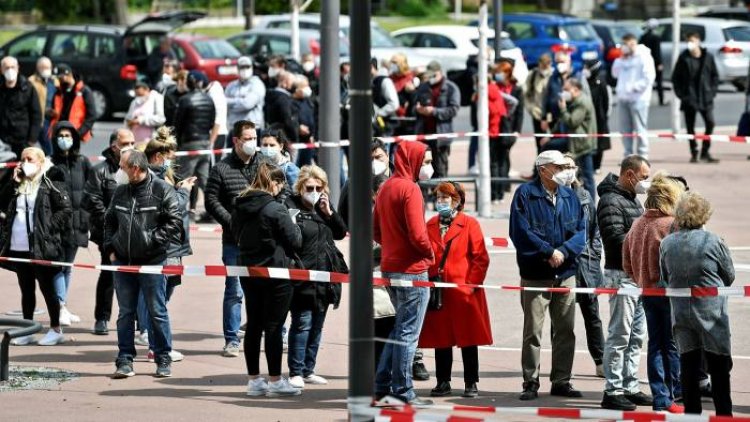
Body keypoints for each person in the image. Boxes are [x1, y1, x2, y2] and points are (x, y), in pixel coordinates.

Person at [509, 150, 586, 401]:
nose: (566, 170)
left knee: (565, 329)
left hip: (565, 273)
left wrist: (562, 251)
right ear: (543, 169)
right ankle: (530, 382)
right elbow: (520, 232)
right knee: (533, 331)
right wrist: (547, 251)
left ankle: (561, 380)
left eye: (566, 166)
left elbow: (581, 232)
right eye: (559, 166)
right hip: (535, 275)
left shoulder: (570, 196)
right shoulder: (525, 195)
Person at [105, 149, 181, 379]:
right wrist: (110, 249)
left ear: (135, 169)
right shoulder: (120, 192)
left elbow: (174, 222)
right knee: (126, 313)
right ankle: (125, 359)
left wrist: (150, 243)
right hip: (123, 263)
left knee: (157, 311)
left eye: (122, 166)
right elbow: (108, 222)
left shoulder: (161, 189)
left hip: (152, 262)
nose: (119, 171)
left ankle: (163, 357)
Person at [660, 192, 735, 416]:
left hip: (681, 312)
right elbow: (729, 276)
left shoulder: (667, 243)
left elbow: (665, 278)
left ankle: (692, 416)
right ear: (704, 215)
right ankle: (724, 415)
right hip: (711, 312)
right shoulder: (713, 241)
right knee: (719, 368)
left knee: (688, 366)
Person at [232, 163, 303, 397]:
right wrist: (294, 225)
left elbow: (234, 233)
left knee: (253, 324)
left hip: (249, 270)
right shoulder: (276, 209)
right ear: (273, 183)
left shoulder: (240, 205)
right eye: (280, 183)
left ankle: (254, 380)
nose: (281, 187)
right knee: (274, 326)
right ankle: (275, 380)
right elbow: (294, 241)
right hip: (276, 272)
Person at [373, 141, 435, 405]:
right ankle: (403, 390)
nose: (429, 167)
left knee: (399, 330)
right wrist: (430, 253)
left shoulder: (386, 186)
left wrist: (393, 246)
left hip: (390, 265)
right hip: (413, 269)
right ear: (414, 160)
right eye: (427, 161)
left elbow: (375, 229)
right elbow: (418, 234)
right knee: (408, 333)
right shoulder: (410, 189)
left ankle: (382, 385)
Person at [419, 182, 491, 399]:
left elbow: (480, 258)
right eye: (439, 197)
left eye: (445, 197)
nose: (440, 201)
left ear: (457, 201)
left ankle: (471, 382)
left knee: (468, 339)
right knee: (442, 339)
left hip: (464, 291)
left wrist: (470, 285)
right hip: (439, 291)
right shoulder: (430, 224)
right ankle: (443, 381)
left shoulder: (469, 224)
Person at [622, 173, 685, 413]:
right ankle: (671, 393)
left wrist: (638, 277)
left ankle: (661, 395)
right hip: (668, 291)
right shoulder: (670, 224)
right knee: (671, 344)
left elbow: (626, 259)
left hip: (646, 290)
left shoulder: (638, 223)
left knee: (656, 343)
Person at [205, 120, 266, 357]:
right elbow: (211, 201)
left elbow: (280, 190)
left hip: (262, 241)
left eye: (254, 138)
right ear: (236, 141)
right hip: (234, 241)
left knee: (263, 290)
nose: (252, 143)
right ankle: (231, 339)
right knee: (235, 290)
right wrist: (231, 222)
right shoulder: (221, 169)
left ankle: (260, 332)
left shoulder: (264, 164)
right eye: (248, 139)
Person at [597, 155, 653, 411]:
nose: (646, 183)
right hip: (621, 276)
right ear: (629, 174)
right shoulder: (609, 201)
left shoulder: (633, 200)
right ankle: (613, 389)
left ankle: (630, 386)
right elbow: (614, 239)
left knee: (636, 336)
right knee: (619, 334)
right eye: (643, 177)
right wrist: (646, 240)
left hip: (638, 276)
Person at [0, 147, 71, 346]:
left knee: (47, 288)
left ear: (40, 162)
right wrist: (14, 182)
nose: (24, 162)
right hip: (19, 246)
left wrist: (48, 229)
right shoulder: (19, 183)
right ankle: (27, 329)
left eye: (29, 159)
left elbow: (65, 209)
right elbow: (2, 201)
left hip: (42, 246)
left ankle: (56, 329)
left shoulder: (50, 181)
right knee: (26, 289)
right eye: (22, 159)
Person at [285, 165, 347, 389]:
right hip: (302, 277)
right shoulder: (290, 207)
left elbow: (340, 232)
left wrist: (329, 212)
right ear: (300, 187)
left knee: (318, 326)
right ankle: (296, 371)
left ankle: (308, 370)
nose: (313, 191)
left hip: (325, 277)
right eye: (309, 187)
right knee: (302, 323)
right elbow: (289, 240)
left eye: (318, 187)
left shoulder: (324, 207)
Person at [139, 127, 196, 363]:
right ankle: (159, 347)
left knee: (161, 298)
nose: (172, 161)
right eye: (169, 157)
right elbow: (173, 207)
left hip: (173, 246)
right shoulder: (154, 179)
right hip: (166, 247)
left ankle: (156, 344)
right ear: (158, 157)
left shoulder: (162, 178)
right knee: (160, 300)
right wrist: (184, 192)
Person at [83, 129, 136, 335]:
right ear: (115, 146)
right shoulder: (100, 170)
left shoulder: (138, 166)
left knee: (138, 277)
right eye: (126, 143)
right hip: (109, 233)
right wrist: (112, 222)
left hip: (135, 234)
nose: (131, 146)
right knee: (108, 274)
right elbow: (92, 200)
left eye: (133, 142)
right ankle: (102, 318)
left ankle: (140, 324)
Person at [560, 154, 605, 378]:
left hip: (586, 264)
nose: (568, 171)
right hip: (563, 264)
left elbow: (595, 229)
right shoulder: (553, 195)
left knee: (592, 314)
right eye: (564, 167)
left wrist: (594, 254)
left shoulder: (585, 195)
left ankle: (600, 360)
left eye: (571, 166)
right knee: (562, 318)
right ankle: (561, 368)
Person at [50, 121, 91, 327]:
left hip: (78, 224)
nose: (64, 139)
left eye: (68, 135)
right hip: (58, 225)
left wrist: (87, 218)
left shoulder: (82, 162)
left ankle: (63, 306)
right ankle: (60, 306)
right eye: (61, 135)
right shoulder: (50, 163)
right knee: (58, 266)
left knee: (68, 266)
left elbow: (91, 190)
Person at [173, 70, 216, 220]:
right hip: (204, 142)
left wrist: (177, 141)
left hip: (189, 143)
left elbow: (178, 123)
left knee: (184, 178)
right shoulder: (209, 99)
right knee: (205, 180)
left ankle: (179, 213)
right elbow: (211, 122)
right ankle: (214, 212)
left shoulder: (185, 100)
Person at [672, 32, 720, 164]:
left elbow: (715, 76)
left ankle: (705, 151)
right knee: (690, 128)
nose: (690, 43)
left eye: (692, 40)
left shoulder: (708, 57)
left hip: (705, 97)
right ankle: (694, 153)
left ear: (698, 41)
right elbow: (676, 78)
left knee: (710, 123)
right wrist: (682, 95)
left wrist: (712, 92)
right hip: (690, 99)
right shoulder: (683, 58)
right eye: (688, 41)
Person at [413, 61, 460, 179]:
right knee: (423, 168)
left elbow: (453, 109)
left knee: (440, 168)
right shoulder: (423, 87)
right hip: (424, 134)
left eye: (432, 75)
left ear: (439, 73)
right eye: (428, 76)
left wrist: (433, 111)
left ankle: (441, 195)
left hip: (441, 136)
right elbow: (414, 106)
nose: (430, 78)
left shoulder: (451, 88)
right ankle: (426, 195)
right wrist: (419, 109)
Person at [612, 34, 656, 158]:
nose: (627, 47)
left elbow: (649, 78)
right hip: (623, 98)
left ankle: (642, 155)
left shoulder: (644, 56)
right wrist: (621, 59)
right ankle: (628, 156)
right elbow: (614, 73)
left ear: (634, 43)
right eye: (624, 44)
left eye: (629, 44)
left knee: (640, 129)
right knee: (625, 130)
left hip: (638, 99)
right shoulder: (622, 59)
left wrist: (633, 88)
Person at [555, 78, 597, 201]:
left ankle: (591, 205)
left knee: (587, 177)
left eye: (566, 90)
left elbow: (573, 121)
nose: (564, 92)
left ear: (576, 89)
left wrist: (562, 108)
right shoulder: (575, 101)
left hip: (582, 145)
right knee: (578, 175)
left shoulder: (582, 102)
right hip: (576, 143)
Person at [492, 58, 524, 202]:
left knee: (503, 158)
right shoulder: (494, 87)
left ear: (507, 73)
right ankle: (495, 191)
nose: (498, 75)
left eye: (500, 73)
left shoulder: (516, 89)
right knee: (494, 160)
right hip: (494, 129)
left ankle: (502, 189)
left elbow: (520, 112)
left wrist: (517, 130)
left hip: (508, 129)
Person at [0, 56, 42, 158]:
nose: (10, 70)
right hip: (2, 141)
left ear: (18, 68)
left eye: (12, 67)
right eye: (6, 67)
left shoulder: (28, 88)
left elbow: (36, 114)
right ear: (1, 70)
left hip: (23, 141)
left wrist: (32, 139)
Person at [49, 63, 96, 142]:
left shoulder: (84, 91)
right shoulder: (59, 91)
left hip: (75, 133)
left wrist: (79, 133)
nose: (59, 80)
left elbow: (91, 115)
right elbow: (55, 111)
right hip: (59, 133)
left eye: (60, 77)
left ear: (68, 75)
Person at [583, 59, 611, 173]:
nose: (585, 70)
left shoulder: (601, 82)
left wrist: (603, 115)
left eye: (587, 68)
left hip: (599, 117)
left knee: (600, 142)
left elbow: (606, 101)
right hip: (587, 116)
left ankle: (597, 165)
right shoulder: (584, 81)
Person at [226, 56, 266, 133]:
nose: (245, 70)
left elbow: (247, 104)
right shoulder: (231, 86)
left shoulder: (257, 84)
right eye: (242, 67)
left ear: (252, 68)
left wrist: (231, 102)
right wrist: (241, 100)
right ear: (237, 69)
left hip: (252, 128)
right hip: (234, 127)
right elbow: (224, 103)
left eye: (247, 67)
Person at [28, 56, 57, 156]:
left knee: (51, 149)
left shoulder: (54, 81)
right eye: (43, 67)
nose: (46, 70)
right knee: (48, 149)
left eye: (48, 67)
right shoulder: (31, 82)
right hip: (39, 120)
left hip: (52, 120)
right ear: (37, 68)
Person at [524, 54, 553, 154]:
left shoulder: (554, 75)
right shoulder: (533, 75)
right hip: (537, 114)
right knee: (539, 143)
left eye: (546, 66)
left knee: (554, 142)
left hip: (552, 115)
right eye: (542, 65)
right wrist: (531, 108)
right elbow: (526, 94)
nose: (544, 68)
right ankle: (540, 165)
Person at [125, 80, 166, 144]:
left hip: (150, 140)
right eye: (137, 95)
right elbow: (128, 119)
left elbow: (161, 119)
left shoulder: (156, 99)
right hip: (135, 141)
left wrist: (140, 120)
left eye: (141, 94)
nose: (139, 97)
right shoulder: (134, 102)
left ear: (147, 90)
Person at [264, 70, 300, 144]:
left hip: (274, 134)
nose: (293, 85)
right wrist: (294, 137)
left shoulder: (272, 95)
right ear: (284, 82)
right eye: (292, 82)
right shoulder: (283, 99)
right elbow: (287, 119)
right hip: (285, 138)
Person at [639, 19, 665, 106]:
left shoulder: (643, 37)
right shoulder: (656, 37)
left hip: (644, 61)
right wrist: (659, 63)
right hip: (654, 62)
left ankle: (644, 99)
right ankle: (661, 100)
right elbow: (657, 52)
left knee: (646, 81)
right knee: (659, 82)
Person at [371, 57, 399, 137]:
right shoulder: (372, 80)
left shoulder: (385, 81)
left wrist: (379, 113)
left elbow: (394, 104)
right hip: (375, 126)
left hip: (385, 126)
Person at [293, 74, 316, 167]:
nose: (308, 89)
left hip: (309, 141)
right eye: (305, 86)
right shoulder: (291, 102)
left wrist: (313, 134)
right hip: (297, 142)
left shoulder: (308, 101)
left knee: (306, 168)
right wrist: (298, 128)